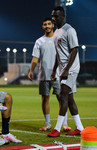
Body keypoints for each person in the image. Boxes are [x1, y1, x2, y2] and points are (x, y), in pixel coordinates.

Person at [28, 17, 71, 132]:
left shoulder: (59, 39)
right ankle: (48, 124)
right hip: (44, 75)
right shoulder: (39, 41)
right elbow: (35, 59)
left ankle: (65, 124)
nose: (47, 26)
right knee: (45, 99)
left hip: (58, 75)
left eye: (49, 24)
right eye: (44, 24)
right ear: (42, 26)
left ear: (53, 25)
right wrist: (31, 71)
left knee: (61, 99)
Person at [47, 6, 84, 137]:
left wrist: (67, 70)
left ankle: (57, 129)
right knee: (69, 98)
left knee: (63, 96)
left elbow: (74, 50)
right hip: (63, 70)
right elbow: (58, 54)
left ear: (63, 16)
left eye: (56, 16)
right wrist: (54, 71)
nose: (53, 18)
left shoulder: (70, 30)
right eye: (52, 16)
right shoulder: (56, 32)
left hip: (71, 69)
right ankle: (80, 128)